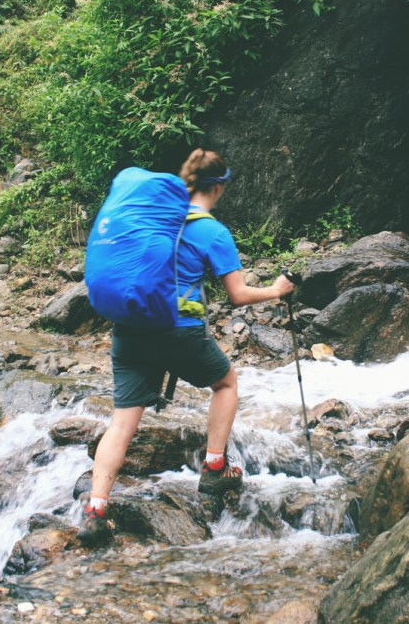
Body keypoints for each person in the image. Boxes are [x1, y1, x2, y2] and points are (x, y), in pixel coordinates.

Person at [79, 149, 294, 546]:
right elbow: (238, 295)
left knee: (123, 422)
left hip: (129, 328)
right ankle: (215, 467)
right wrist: (278, 290)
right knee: (226, 383)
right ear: (218, 186)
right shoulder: (211, 231)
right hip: (179, 331)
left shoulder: (150, 216)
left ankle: (95, 509)